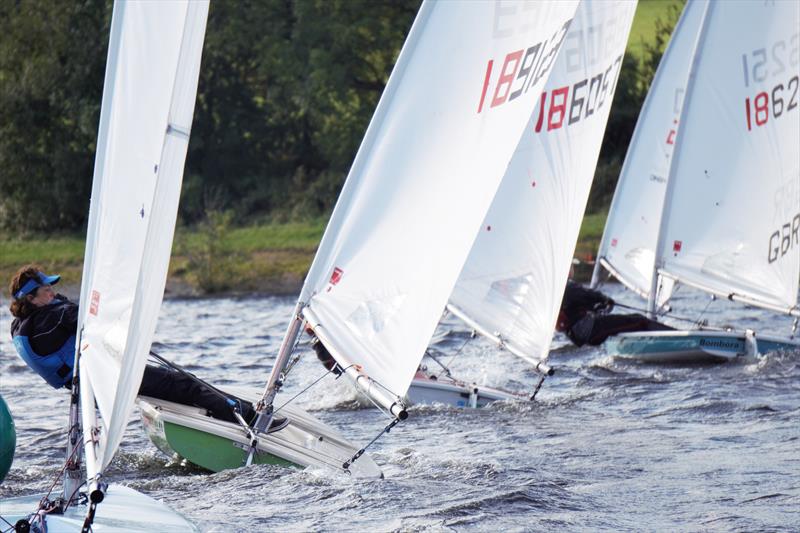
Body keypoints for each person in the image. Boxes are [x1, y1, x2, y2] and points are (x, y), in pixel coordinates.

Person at [8, 265, 287, 432]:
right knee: (184, 383)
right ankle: (252, 418)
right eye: (46, 290)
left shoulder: (23, 326)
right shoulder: (50, 319)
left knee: (173, 386)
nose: (53, 292)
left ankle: (218, 417)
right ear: (31, 298)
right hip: (106, 377)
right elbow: (93, 317)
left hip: (89, 383)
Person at [556, 264, 674, 347]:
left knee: (635, 319)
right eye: (572, 266)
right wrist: (604, 299)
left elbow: (582, 303)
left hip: (582, 332)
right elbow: (587, 295)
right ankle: (675, 338)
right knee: (641, 321)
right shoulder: (568, 286)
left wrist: (600, 304)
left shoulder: (559, 288)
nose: (573, 269)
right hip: (591, 330)